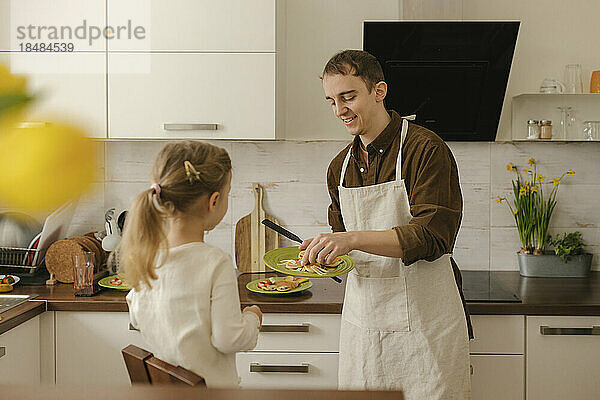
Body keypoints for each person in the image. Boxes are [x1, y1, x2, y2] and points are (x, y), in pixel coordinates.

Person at [299, 50, 472, 398]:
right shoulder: (340, 167)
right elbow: (344, 241)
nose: (339, 110)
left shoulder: (425, 149)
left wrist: (351, 240)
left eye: (348, 97)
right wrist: (324, 254)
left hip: (427, 327)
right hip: (364, 326)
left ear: (379, 91)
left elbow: (433, 235)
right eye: (331, 101)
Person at [121, 140, 262, 388]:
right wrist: (252, 318)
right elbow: (229, 339)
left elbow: (137, 316)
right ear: (214, 201)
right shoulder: (216, 263)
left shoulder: (146, 258)